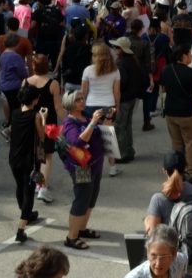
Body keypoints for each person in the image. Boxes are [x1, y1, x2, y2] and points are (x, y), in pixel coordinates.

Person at [58, 90, 106, 251]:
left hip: (96, 164)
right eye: (78, 99)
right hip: (82, 167)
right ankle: (71, 237)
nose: (82, 101)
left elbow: (103, 130)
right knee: (81, 199)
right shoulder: (70, 123)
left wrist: (109, 117)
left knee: (91, 198)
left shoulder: (86, 115)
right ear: (70, 104)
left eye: (82, 98)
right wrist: (92, 123)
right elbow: (77, 142)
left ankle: (82, 228)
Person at [159, 43, 192, 184]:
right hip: (187, 113)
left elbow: (163, 89)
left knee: (176, 143)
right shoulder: (191, 73)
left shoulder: (166, 70)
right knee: (191, 142)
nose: (191, 56)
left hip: (171, 111)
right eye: (189, 54)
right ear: (183, 56)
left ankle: (178, 169)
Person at [9, 80, 47, 242]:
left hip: (14, 158)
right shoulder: (35, 116)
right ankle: (21, 228)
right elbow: (42, 136)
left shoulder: (15, 113)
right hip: (29, 161)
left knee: (20, 186)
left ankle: (26, 214)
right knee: (28, 192)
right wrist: (44, 118)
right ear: (35, 100)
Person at [25, 54, 63, 204]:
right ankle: (43, 188)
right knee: (47, 157)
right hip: (49, 124)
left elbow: (23, 105)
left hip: (31, 123)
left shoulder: (25, 82)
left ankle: (38, 183)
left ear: (33, 66)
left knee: (36, 155)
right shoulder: (53, 84)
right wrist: (69, 121)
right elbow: (58, 108)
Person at [81, 42, 121, 176]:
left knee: (90, 137)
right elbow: (117, 93)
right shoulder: (115, 70)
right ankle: (112, 167)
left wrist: (81, 106)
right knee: (109, 137)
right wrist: (117, 107)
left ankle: (90, 165)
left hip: (91, 105)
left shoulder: (87, 70)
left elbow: (84, 91)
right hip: (108, 106)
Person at [110, 36, 144, 164]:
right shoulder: (132, 60)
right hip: (131, 97)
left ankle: (122, 153)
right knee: (127, 125)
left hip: (124, 98)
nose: (115, 49)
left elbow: (121, 82)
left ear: (121, 49)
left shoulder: (121, 63)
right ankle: (129, 150)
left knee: (120, 126)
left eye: (117, 47)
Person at [122, 225, 190, 278]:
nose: (158, 263)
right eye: (153, 256)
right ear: (147, 252)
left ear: (174, 254)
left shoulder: (180, 262)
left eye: (163, 257)